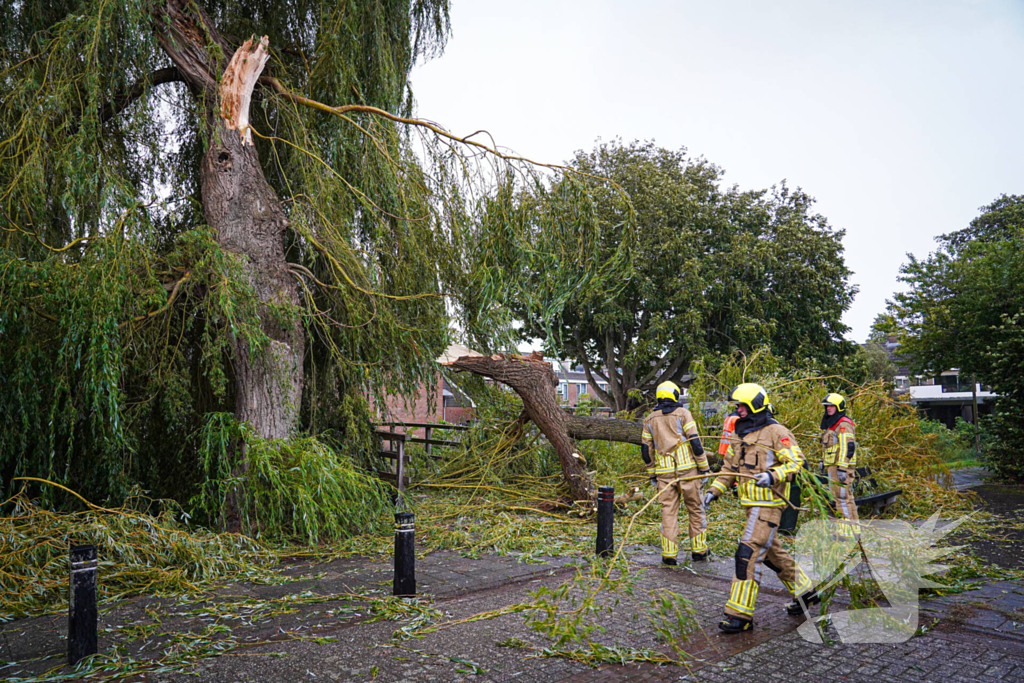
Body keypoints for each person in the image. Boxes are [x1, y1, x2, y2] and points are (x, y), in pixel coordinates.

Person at [703, 383, 818, 633]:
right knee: (773, 554)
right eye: (738, 406)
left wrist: (772, 475)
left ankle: (739, 615)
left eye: (743, 405)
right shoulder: (739, 433)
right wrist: (714, 491)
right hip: (750, 505)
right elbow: (730, 469)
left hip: (769, 504)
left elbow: (796, 462)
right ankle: (806, 592)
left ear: (756, 404)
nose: (739, 410)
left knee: (748, 553)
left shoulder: (777, 431)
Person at [641, 381, 710, 565]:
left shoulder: (649, 419)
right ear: (675, 395)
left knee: (668, 513)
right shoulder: (683, 414)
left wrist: (652, 474)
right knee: (695, 509)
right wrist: (704, 467)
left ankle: (669, 553)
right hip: (688, 471)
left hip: (664, 475)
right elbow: (695, 442)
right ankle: (699, 550)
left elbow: (645, 450)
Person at [820, 393, 859, 540]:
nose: (829, 409)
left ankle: (845, 532)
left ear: (838, 407)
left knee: (841, 499)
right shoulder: (833, 424)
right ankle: (854, 530)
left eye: (831, 406)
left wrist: (842, 468)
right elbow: (831, 446)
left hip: (839, 468)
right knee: (846, 498)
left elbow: (847, 447)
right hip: (833, 467)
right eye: (827, 406)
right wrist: (823, 461)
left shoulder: (843, 424)